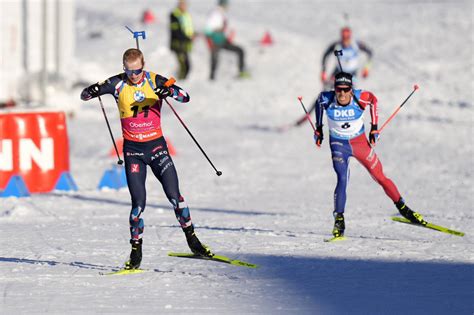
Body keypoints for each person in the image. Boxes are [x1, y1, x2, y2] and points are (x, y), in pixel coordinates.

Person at [80, 48, 212, 270]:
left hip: (157, 147)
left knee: (175, 197)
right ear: (124, 68)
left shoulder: (154, 79)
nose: (134, 76)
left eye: (138, 70)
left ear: (144, 65)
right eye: (129, 71)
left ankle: (193, 241)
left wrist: (168, 91)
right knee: (137, 206)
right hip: (133, 152)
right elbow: (84, 95)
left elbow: (185, 96)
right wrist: (92, 90)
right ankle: (135, 253)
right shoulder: (117, 83)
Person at [313, 72, 425, 238]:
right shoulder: (326, 98)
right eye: (339, 89)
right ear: (334, 89)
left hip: (360, 144)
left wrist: (374, 127)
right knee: (342, 178)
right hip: (338, 145)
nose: (342, 93)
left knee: (380, 176)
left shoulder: (361, 97)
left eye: (346, 89)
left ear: (351, 89)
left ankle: (404, 209)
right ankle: (339, 219)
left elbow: (373, 99)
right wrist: (319, 129)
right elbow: (318, 104)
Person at [204, 0, 249, 80]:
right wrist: (215, 33)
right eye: (227, 5)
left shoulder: (221, 14)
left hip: (222, 40)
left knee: (240, 50)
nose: (228, 7)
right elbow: (208, 30)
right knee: (215, 59)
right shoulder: (215, 14)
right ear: (223, 5)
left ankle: (212, 78)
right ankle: (211, 78)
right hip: (216, 41)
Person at [169, 0, 194, 80]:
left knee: (187, 65)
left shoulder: (185, 15)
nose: (184, 6)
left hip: (185, 44)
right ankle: (179, 82)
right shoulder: (174, 15)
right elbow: (175, 31)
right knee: (184, 66)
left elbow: (187, 29)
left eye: (185, 4)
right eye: (182, 4)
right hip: (178, 45)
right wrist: (188, 37)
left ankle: (181, 81)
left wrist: (192, 35)